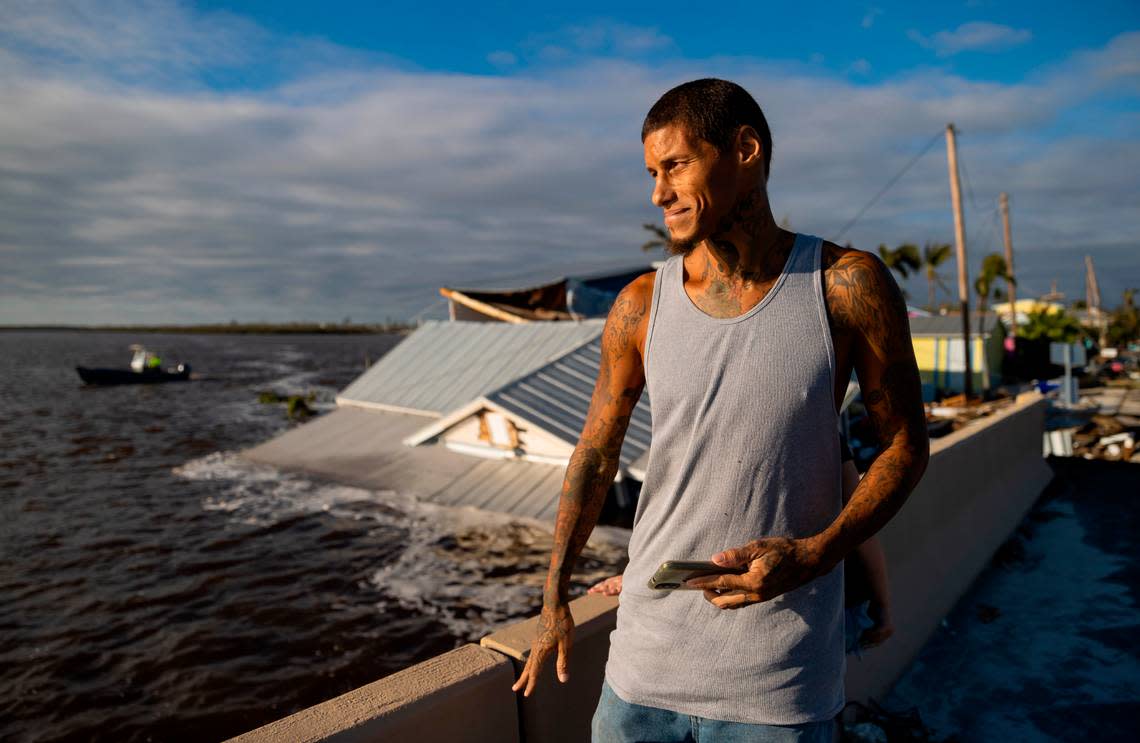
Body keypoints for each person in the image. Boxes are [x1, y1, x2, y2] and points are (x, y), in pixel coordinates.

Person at [510, 78, 928, 742]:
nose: (658, 192)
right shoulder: (640, 306)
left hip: (777, 688)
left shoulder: (846, 286)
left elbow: (906, 447)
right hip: (639, 676)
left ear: (746, 150)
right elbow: (595, 452)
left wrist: (818, 553)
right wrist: (554, 593)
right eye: (652, 172)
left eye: (674, 165)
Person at [587, 436, 896, 658]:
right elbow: (861, 524)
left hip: (813, 612)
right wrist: (882, 606)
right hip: (826, 605)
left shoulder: (701, 435)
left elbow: (861, 525)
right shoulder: (822, 430)